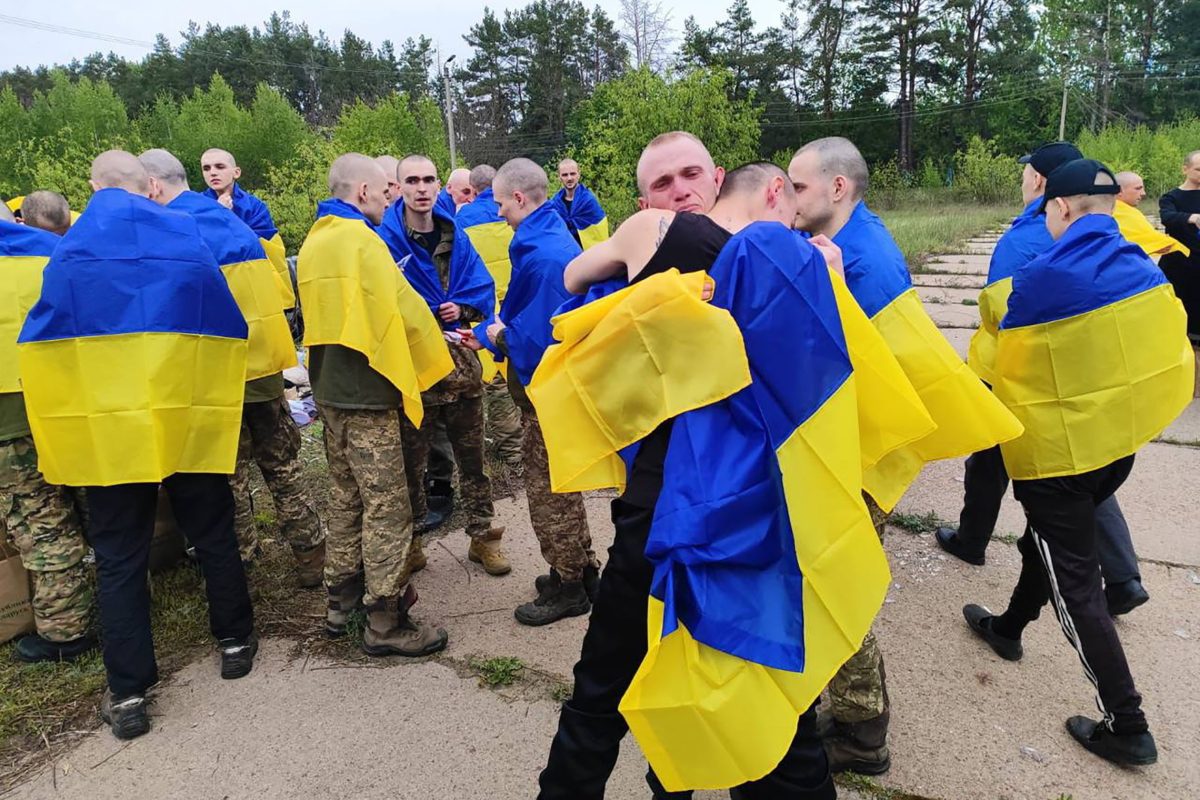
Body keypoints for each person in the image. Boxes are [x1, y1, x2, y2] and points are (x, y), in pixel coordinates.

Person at [536, 150, 855, 799]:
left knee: (739, 688)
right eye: (661, 181)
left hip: (740, 508)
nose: (679, 190)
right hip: (679, 510)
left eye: (690, 175)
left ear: (717, 180)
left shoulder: (668, 237)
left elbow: (571, 276)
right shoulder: (772, 253)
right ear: (644, 199)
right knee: (634, 679)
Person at [787, 136, 1023, 776]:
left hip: (861, 455)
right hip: (861, 449)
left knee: (836, 590)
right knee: (835, 586)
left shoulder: (862, 266)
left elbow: (845, 372)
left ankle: (863, 734)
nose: (788, 197)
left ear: (838, 187)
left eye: (799, 186)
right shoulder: (848, 241)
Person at [18, 150, 257, 740]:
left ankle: (128, 694)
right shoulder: (185, 235)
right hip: (183, 415)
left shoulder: (70, 249)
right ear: (149, 186)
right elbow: (223, 321)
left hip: (112, 428)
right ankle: (234, 641)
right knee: (213, 529)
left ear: (93, 186)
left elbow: (45, 341)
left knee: (119, 555)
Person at [962, 158, 1192, 767]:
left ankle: (1128, 723)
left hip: (1061, 458)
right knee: (1044, 543)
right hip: (1117, 446)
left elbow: (1006, 341)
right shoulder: (1141, 263)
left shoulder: (1043, 275)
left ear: (1059, 207)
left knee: (1077, 584)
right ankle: (1008, 628)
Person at [936, 142, 1150, 618]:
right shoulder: (1109, 225)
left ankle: (972, 540)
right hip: (1087, 371)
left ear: (1038, 182)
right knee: (1082, 470)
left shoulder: (1023, 239)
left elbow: (1002, 315)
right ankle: (1123, 576)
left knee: (993, 458)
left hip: (1018, 372)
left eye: (1026, 172)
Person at [139, 149, 325, 585]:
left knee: (228, 474)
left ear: (152, 185)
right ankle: (311, 554)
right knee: (283, 466)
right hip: (262, 366)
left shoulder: (170, 230)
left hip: (214, 377)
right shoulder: (232, 221)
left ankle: (239, 563)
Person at [297, 153, 451, 657]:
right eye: (385, 190)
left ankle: (340, 602)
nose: (390, 198)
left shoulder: (315, 240)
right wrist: (438, 354)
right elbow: (401, 313)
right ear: (362, 190)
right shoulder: (362, 241)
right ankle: (386, 619)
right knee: (388, 507)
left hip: (329, 392)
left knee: (346, 497)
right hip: (367, 395)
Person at [465, 158, 599, 626]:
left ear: (519, 199)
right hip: (554, 393)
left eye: (501, 203)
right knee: (563, 486)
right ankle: (584, 571)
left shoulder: (542, 257)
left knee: (548, 493)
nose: (498, 212)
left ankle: (568, 586)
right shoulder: (549, 237)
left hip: (547, 396)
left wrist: (495, 335)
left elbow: (539, 340)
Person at [377, 154, 508, 576]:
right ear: (398, 187)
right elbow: (379, 303)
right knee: (410, 465)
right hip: (415, 374)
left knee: (473, 462)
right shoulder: (385, 241)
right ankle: (413, 543)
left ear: (439, 186)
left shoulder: (456, 236)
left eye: (428, 180)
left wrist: (462, 307)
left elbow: (482, 289)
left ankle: (483, 537)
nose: (421, 188)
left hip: (462, 372)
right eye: (412, 180)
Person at [1, 212, 96, 664]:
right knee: (94, 506)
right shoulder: (55, 252)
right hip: (70, 405)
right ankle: (128, 593)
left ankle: (65, 631)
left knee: (42, 523)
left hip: (10, 424)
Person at [456, 163, 525, 470]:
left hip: (485, 306)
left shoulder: (462, 220)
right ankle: (533, 438)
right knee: (524, 367)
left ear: (471, 190)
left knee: (496, 379)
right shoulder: (514, 212)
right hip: (518, 301)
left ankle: (512, 451)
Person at [201, 147, 293, 308]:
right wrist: (219, 213)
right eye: (206, 168)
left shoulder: (255, 207)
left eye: (220, 167)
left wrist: (225, 217)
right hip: (215, 282)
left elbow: (261, 246)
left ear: (236, 172)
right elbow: (199, 245)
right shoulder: (197, 205)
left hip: (253, 279)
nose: (213, 173)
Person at [1157, 150, 1200, 337]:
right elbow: (1167, 217)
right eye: (1198, 169)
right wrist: (1192, 218)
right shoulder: (1171, 198)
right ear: (1185, 169)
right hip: (1180, 264)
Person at [1113, 171, 1188, 258]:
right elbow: (1155, 242)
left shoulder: (1106, 210)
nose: (1143, 193)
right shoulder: (1125, 213)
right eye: (1138, 188)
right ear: (1119, 191)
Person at [550, 158, 609, 249]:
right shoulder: (555, 203)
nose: (569, 178)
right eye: (565, 175)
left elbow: (599, 230)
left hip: (587, 252)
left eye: (572, 174)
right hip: (565, 252)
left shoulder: (588, 200)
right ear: (559, 177)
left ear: (578, 174)